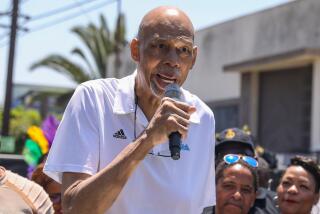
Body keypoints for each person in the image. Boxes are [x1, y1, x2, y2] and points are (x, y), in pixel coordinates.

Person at [44, 6, 216, 214]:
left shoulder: (202, 117)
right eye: (160, 46)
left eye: (184, 50)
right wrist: (147, 140)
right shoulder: (93, 99)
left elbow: (200, 208)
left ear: (193, 58)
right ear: (136, 50)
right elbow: (74, 208)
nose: (173, 60)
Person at [214, 127, 279, 214]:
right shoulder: (197, 205)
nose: (237, 196)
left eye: (246, 190)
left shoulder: (275, 205)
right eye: (226, 157)